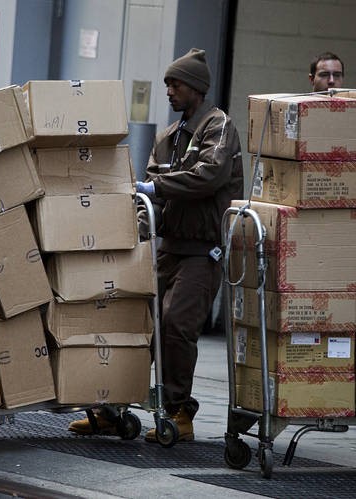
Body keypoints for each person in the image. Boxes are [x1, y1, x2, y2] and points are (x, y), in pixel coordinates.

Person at [68, 48, 243, 443]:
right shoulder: (167, 139)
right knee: (138, 323)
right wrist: (136, 232)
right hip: (168, 248)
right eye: (166, 83)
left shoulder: (219, 128)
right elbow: (149, 200)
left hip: (204, 250)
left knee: (177, 324)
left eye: (175, 83)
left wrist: (157, 186)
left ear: (196, 88)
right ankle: (112, 407)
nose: (168, 90)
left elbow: (209, 177)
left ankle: (179, 412)